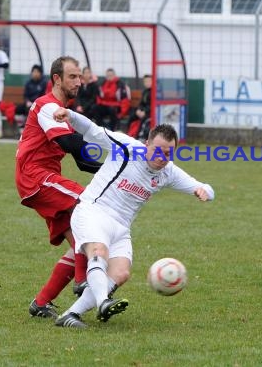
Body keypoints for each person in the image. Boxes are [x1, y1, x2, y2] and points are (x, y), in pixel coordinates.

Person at [49, 110, 215, 328]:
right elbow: (92, 130)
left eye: (168, 153)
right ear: (147, 144)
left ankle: (69, 315)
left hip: (121, 227)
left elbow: (204, 186)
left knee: (120, 272)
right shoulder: (127, 148)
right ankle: (103, 302)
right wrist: (69, 114)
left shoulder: (168, 172)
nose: (162, 158)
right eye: (157, 151)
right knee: (98, 252)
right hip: (92, 211)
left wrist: (204, 192)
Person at [15, 56, 103, 319]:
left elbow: (82, 160)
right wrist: (115, 159)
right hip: (36, 177)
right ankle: (81, 280)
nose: (79, 82)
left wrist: (114, 169)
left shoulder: (64, 112)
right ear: (57, 79)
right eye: (73, 77)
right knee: (87, 204)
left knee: (79, 240)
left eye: (80, 77)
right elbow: (70, 144)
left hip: (45, 178)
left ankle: (41, 303)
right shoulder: (46, 106)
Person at [14, 64, 48, 137]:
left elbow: (44, 96)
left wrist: (35, 102)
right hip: (29, 103)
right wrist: (27, 101)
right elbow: (25, 95)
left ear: (40, 73)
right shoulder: (28, 83)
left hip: (39, 105)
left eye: (37, 72)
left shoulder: (44, 83)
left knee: (31, 109)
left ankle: (31, 132)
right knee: (18, 109)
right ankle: (22, 129)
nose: (35, 73)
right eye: (33, 72)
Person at [127, 74, 152, 141]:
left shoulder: (155, 92)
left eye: (149, 81)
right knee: (132, 116)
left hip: (150, 112)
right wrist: (138, 110)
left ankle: (139, 136)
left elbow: (152, 105)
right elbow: (141, 103)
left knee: (144, 119)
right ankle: (128, 134)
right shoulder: (145, 91)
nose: (147, 83)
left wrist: (145, 112)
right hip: (143, 111)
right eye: (145, 81)